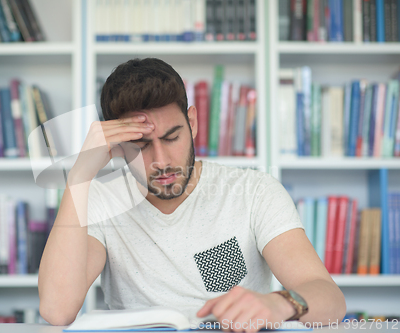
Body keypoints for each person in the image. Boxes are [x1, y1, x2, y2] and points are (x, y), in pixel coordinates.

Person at [38, 58, 346, 332]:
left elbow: (329, 297)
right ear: (116, 146)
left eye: (172, 137)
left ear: (193, 123)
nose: (161, 161)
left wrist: (281, 304)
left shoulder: (254, 192)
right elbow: (57, 310)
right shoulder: (100, 202)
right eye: (141, 145)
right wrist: (78, 177)